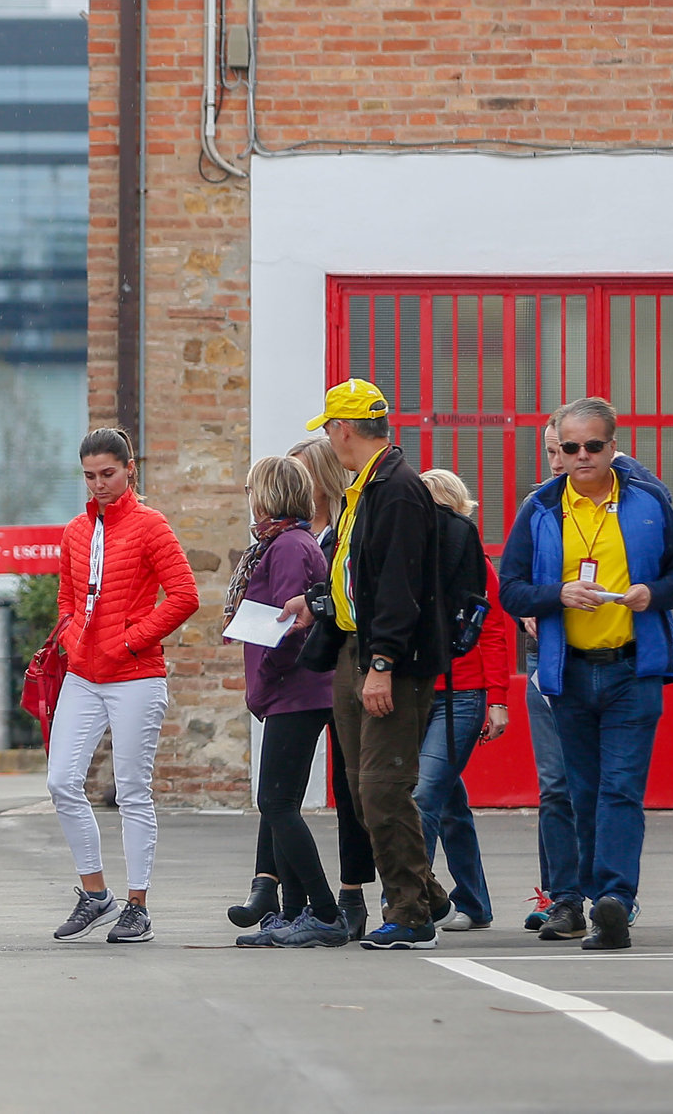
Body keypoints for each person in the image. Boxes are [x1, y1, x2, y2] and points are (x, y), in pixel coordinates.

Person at [499, 396, 673, 951]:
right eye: (570, 447)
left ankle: (614, 900)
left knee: (620, 789)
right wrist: (556, 595)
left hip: (633, 669)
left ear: (612, 447)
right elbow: (509, 587)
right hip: (568, 672)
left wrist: (650, 594)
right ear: (557, 450)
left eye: (593, 445)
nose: (581, 455)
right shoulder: (540, 507)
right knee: (580, 791)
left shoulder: (648, 503)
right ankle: (581, 897)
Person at [278, 381, 446, 949]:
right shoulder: (367, 487)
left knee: (381, 787)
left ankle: (411, 914)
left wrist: (382, 663)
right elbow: (354, 574)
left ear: (344, 430)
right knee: (359, 786)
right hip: (354, 648)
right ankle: (426, 892)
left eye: (329, 427)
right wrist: (318, 602)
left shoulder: (394, 490)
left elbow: (400, 589)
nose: (328, 437)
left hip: (384, 659)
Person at [46, 428, 202, 945]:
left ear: (129, 468)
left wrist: (130, 640)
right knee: (61, 781)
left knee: (133, 791)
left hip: (135, 675)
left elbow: (184, 595)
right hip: (83, 675)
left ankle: (138, 906)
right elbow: (67, 599)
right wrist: (71, 635)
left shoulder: (150, 525)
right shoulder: (74, 531)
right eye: (89, 476)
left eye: (108, 474)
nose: (99, 485)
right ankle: (95, 894)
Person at [227, 456, 343, 947]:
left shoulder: (288, 547)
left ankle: (326, 913)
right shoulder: (287, 543)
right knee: (284, 802)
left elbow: (289, 626)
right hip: (294, 691)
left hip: (294, 691)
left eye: (253, 490)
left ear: (267, 495)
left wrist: (267, 678)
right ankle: (293, 911)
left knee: (274, 802)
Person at [276, 436, 377, 941]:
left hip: (341, 665)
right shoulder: (287, 534)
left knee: (351, 785)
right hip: (299, 673)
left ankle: (353, 891)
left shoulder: (343, 529)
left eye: (301, 471)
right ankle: (275, 893)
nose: (293, 482)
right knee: (283, 788)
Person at [415, 468, 514, 933]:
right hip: (422, 695)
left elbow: (494, 632)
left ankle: (415, 902)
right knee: (448, 802)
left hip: (463, 695)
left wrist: (497, 700)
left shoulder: (477, 566)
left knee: (424, 797)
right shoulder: (414, 565)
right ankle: (474, 901)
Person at [520, 422, 580, 931]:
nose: (557, 461)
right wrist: (530, 607)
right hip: (547, 657)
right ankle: (560, 895)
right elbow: (512, 583)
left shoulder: (631, 498)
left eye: (565, 451)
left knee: (598, 783)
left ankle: (607, 890)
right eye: (551, 451)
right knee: (554, 784)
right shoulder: (538, 506)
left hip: (600, 653)